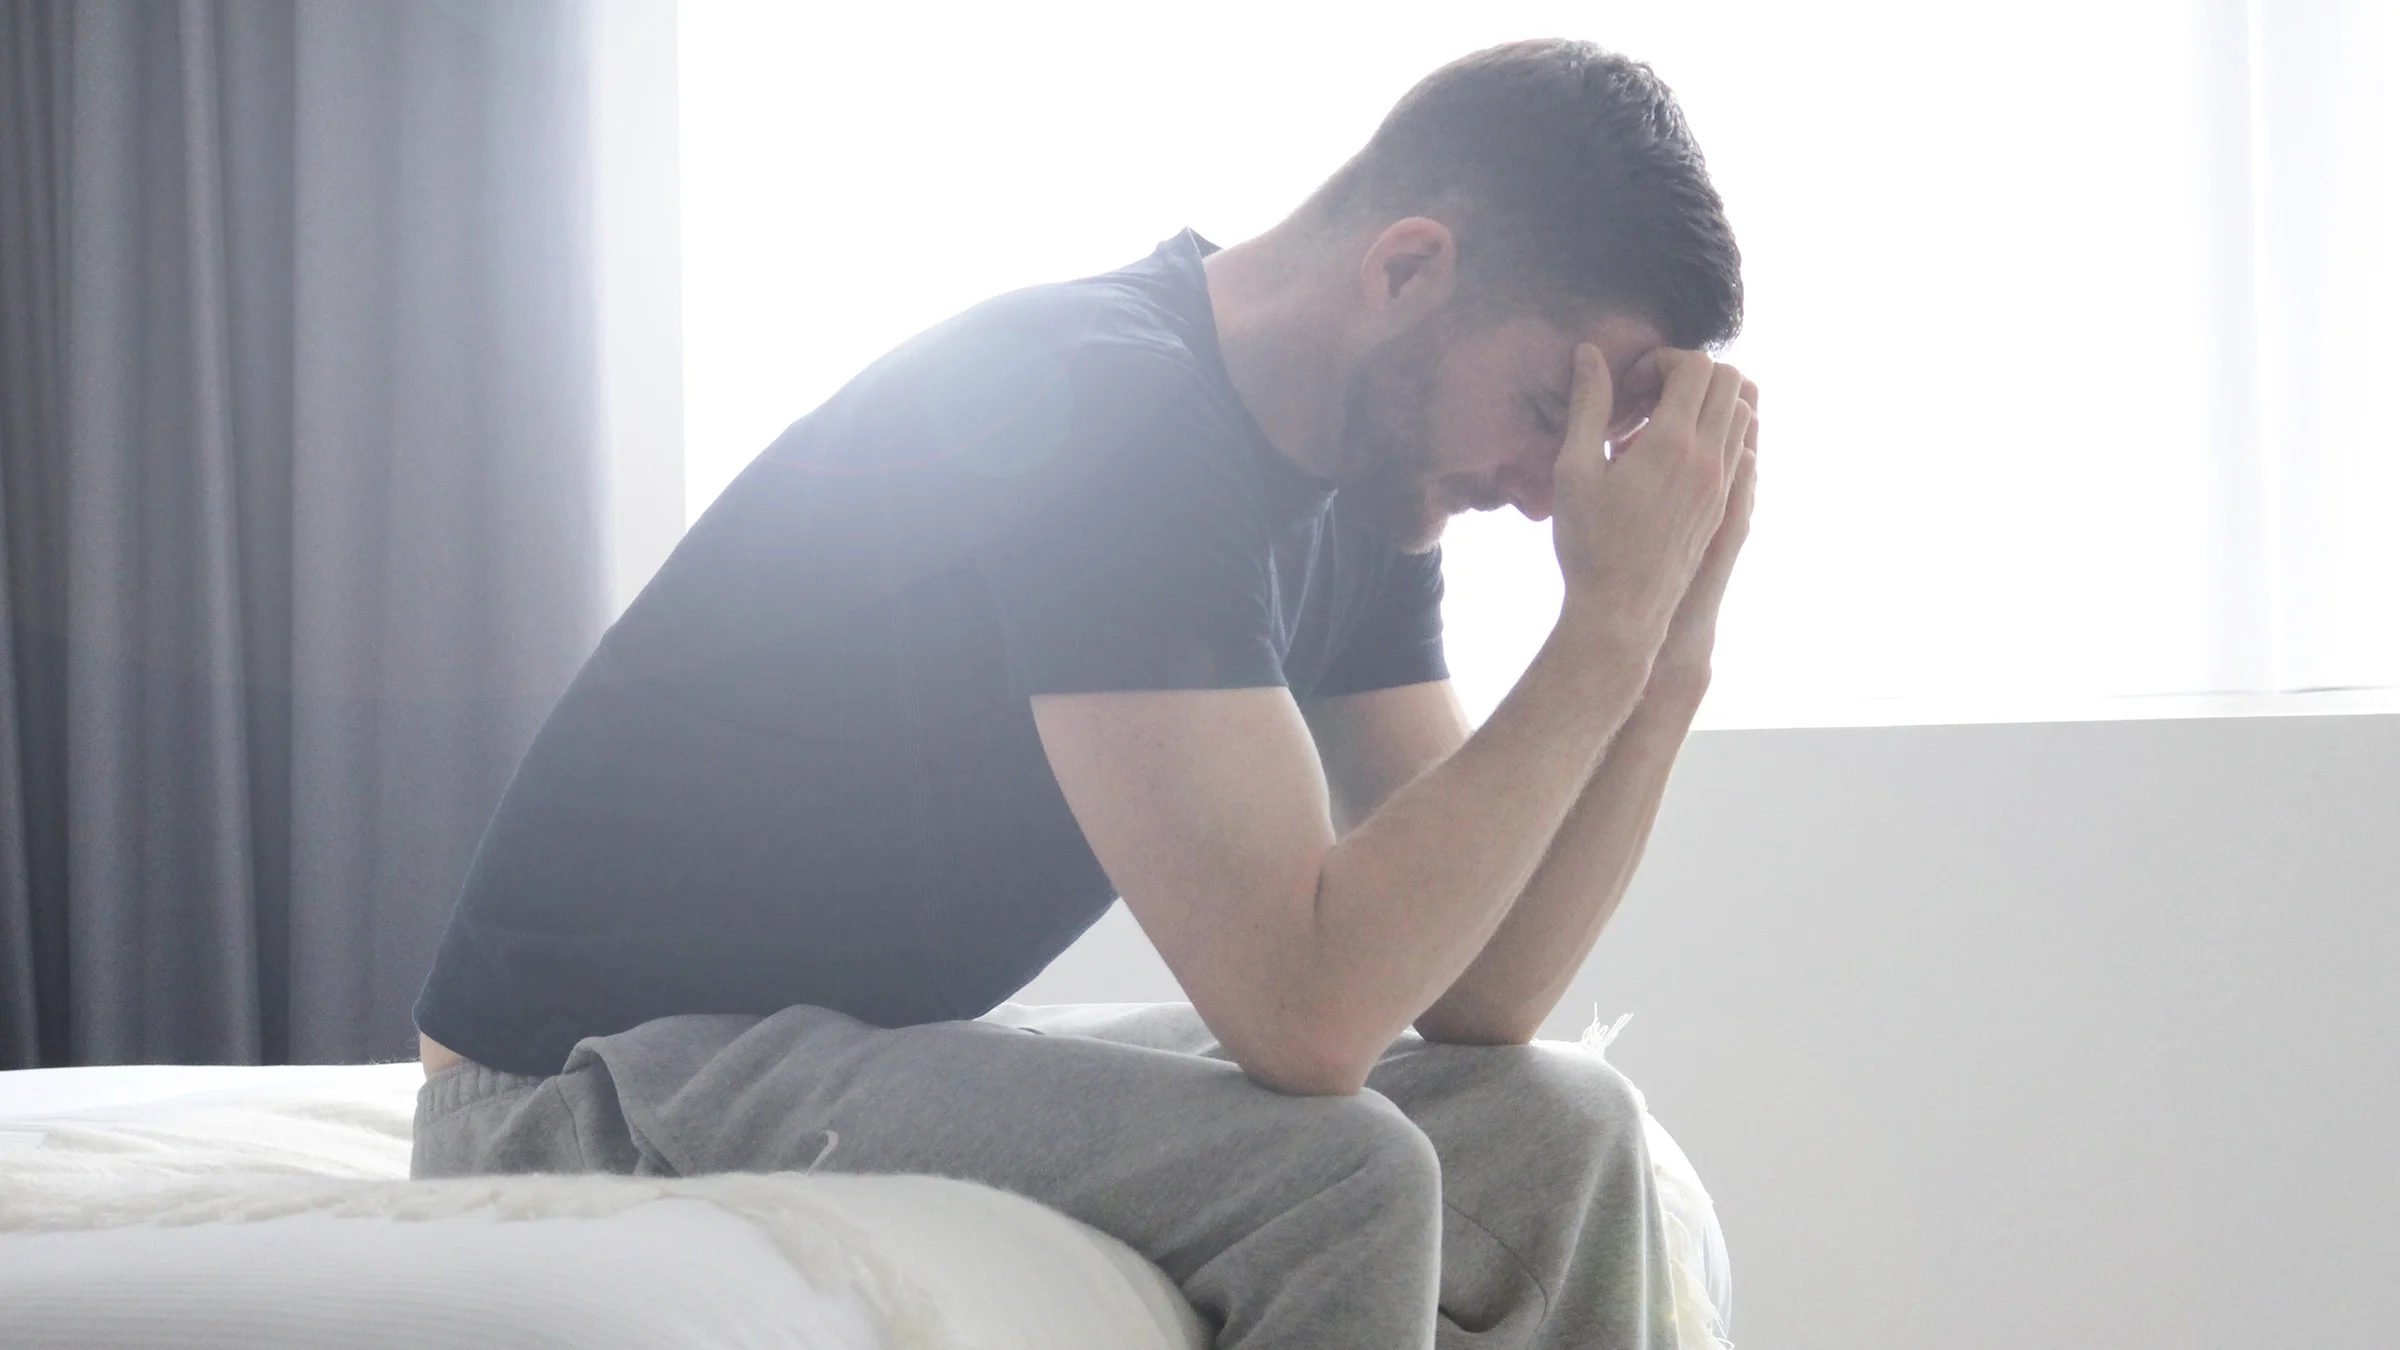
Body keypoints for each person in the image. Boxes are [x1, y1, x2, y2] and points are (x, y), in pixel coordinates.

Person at [410, 35, 1755, 1350]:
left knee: (1560, 1131)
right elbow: (1308, 1012)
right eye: (1541, 405)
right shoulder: (1118, 413)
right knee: (1342, 1175)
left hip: (825, 1038)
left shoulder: (1365, 484)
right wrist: (1601, 628)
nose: (1543, 489)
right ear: (1408, 268)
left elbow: (1482, 992)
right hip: (584, 1080)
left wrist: (1658, 656)